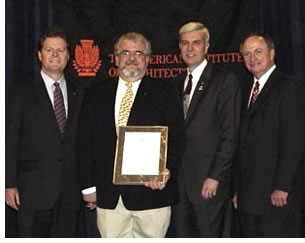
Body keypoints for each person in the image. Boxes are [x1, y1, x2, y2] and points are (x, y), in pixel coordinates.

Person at [77, 32, 184, 238]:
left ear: (148, 60)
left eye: (138, 53)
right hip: (109, 195)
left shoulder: (165, 91)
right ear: (116, 58)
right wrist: (87, 186)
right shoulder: (96, 93)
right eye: (125, 52)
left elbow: (177, 137)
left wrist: (166, 170)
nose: (132, 58)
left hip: (152, 193)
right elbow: (84, 142)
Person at [5, 26, 83, 237]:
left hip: (69, 191)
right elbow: (9, 140)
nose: (55, 55)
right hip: (32, 189)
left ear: (68, 55)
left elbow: (83, 143)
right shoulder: (20, 91)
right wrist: (8, 183)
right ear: (40, 55)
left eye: (61, 50)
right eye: (49, 50)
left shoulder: (79, 92)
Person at [171, 22, 241, 237]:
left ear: (207, 47)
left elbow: (230, 135)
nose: (190, 48)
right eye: (185, 43)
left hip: (208, 183)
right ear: (179, 48)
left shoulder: (224, 81)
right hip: (179, 185)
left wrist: (215, 176)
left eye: (196, 43)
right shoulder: (175, 83)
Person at [234, 32, 305, 237]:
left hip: (277, 197)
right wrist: (239, 190)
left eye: (258, 51)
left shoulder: (291, 87)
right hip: (249, 199)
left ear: (272, 53)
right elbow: (243, 145)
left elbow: (295, 141)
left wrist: (283, 186)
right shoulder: (246, 90)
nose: (252, 58)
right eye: (246, 54)